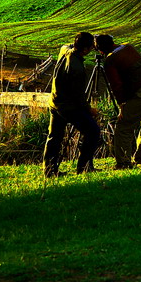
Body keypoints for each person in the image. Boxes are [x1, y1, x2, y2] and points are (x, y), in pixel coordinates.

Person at [94, 34, 141, 170]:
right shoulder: (128, 47)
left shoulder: (110, 60)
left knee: (124, 127)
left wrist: (122, 106)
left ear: (100, 50)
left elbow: (116, 86)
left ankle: (123, 162)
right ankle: (140, 159)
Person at [43, 31, 100, 177]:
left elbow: (68, 45)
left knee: (54, 137)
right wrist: (90, 109)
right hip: (69, 107)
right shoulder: (78, 69)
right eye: (91, 47)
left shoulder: (64, 50)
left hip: (55, 102)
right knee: (93, 131)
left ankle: (49, 170)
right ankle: (84, 167)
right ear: (86, 49)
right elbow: (78, 97)